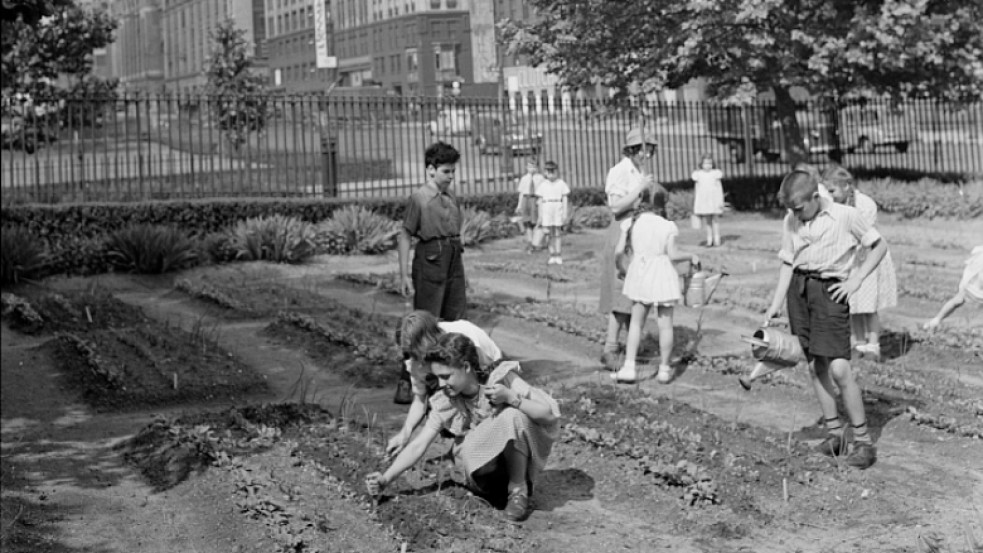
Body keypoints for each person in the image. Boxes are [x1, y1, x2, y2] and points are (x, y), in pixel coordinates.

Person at [763, 169, 889, 470]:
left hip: (831, 293)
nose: (795, 215)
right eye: (791, 210)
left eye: (799, 208)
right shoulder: (791, 218)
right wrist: (775, 304)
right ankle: (835, 435)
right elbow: (787, 263)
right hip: (800, 292)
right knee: (814, 364)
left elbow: (879, 246)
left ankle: (863, 442)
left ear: (815, 197)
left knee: (840, 368)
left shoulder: (846, 215)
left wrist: (856, 281)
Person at [365, 333, 560, 523]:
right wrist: (385, 478)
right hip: (482, 473)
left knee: (513, 415)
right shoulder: (447, 401)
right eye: (438, 377)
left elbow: (548, 415)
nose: (441, 384)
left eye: (446, 376)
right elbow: (419, 444)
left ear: (466, 367)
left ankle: (518, 492)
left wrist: (511, 398)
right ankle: (504, 492)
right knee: (475, 440)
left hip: (513, 463)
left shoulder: (501, 379)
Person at [394, 141, 466, 404]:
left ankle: (447, 380)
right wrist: (403, 275)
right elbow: (405, 235)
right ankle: (408, 382)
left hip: (453, 260)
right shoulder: (419, 199)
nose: (450, 177)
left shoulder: (451, 196)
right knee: (425, 325)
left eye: (453, 172)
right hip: (429, 261)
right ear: (430, 171)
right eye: (446, 171)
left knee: (456, 321)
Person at [386, 310, 503, 458]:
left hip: (486, 373)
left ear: (429, 337)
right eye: (412, 353)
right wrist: (405, 433)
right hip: (461, 384)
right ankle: (457, 436)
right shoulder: (416, 362)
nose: (417, 358)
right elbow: (420, 399)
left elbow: (485, 375)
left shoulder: (463, 336)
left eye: (418, 351)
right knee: (440, 395)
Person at [612, 185, 699, 384]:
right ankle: (664, 369)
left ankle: (629, 367)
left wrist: (621, 268)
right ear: (662, 204)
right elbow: (674, 255)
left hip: (640, 273)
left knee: (636, 322)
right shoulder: (667, 226)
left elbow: (618, 252)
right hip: (663, 275)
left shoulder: (630, 223)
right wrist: (691, 255)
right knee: (666, 325)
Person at [599, 128, 662, 370]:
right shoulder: (620, 171)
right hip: (623, 234)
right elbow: (615, 206)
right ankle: (611, 347)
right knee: (622, 293)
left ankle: (632, 344)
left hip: (638, 233)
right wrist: (640, 188)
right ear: (633, 150)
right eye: (644, 150)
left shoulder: (638, 170)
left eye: (650, 150)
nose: (647, 155)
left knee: (635, 292)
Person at [821, 165, 897, 360]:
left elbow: (865, 234)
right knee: (853, 303)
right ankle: (858, 343)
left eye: (832, 190)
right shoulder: (833, 205)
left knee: (869, 305)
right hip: (850, 258)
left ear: (846, 186)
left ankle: (873, 345)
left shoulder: (865, 204)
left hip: (868, 257)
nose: (830, 195)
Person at [923, 245, 983, 329]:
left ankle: (936, 320)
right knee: (958, 299)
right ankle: (936, 321)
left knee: (958, 300)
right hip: (974, 282)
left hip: (974, 282)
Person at [537, 160, 571, 265]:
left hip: (557, 207)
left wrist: (565, 213)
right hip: (547, 208)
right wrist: (540, 215)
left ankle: (558, 254)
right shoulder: (543, 185)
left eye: (553, 171)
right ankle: (552, 254)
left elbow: (565, 199)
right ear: (545, 173)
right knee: (548, 233)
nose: (551, 174)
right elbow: (540, 201)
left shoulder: (561, 184)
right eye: (548, 171)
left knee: (557, 232)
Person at [691, 154, 725, 247]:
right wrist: (697, 203)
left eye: (710, 163)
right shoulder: (698, 175)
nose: (708, 165)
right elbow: (697, 190)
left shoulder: (715, 174)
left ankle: (717, 239)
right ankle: (709, 240)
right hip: (704, 200)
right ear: (701, 164)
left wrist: (720, 200)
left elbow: (719, 188)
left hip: (714, 199)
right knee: (708, 221)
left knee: (715, 220)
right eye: (705, 163)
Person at [515, 160, 545, 253]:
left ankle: (537, 243)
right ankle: (530, 242)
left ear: (537, 168)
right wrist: (519, 205)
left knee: (536, 222)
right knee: (527, 222)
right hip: (526, 200)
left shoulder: (540, 178)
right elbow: (521, 193)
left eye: (533, 166)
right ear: (526, 167)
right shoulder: (524, 179)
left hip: (535, 200)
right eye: (529, 166)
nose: (531, 169)